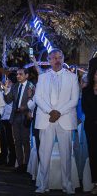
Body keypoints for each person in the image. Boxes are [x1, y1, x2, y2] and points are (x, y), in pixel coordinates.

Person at [34, 48, 79, 194]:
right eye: (54, 58)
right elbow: (38, 98)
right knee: (44, 154)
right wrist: (50, 111)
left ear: (63, 59)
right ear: (49, 60)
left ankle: (67, 185)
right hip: (46, 119)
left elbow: (74, 99)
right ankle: (42, 185)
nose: (57, 60)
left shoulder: (72, 77)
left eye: (60, 57)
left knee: (66, 155)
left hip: (65, 119)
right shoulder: (42, 77)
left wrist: (59, 112)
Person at [3, 68, 34, 173]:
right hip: (15, 117)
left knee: (25, 141)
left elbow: (35, 102)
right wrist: (6, 89)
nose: (18, 76)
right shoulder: (15, 86)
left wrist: (25, 108)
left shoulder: (31, 86)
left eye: (20, 74)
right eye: (17, 74)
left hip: (25, 116)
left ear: (26, 75)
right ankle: (20, 165)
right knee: (17, 142)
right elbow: (8, 100)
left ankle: (27, 165)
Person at [82, 58, 97, 194]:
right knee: (93, 154)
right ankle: (95, 183)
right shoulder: (86, 91)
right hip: (91, 126)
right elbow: (85, 109)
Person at [0, 72, 17, 167]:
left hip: (9, 119)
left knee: (10, 141)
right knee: (4, 140)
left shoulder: (12, 91)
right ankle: (3, 157)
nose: (6, 82)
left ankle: (11, 160)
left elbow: (9, 105)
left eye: (8, 80)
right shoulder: (5, 90)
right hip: (3, 118)